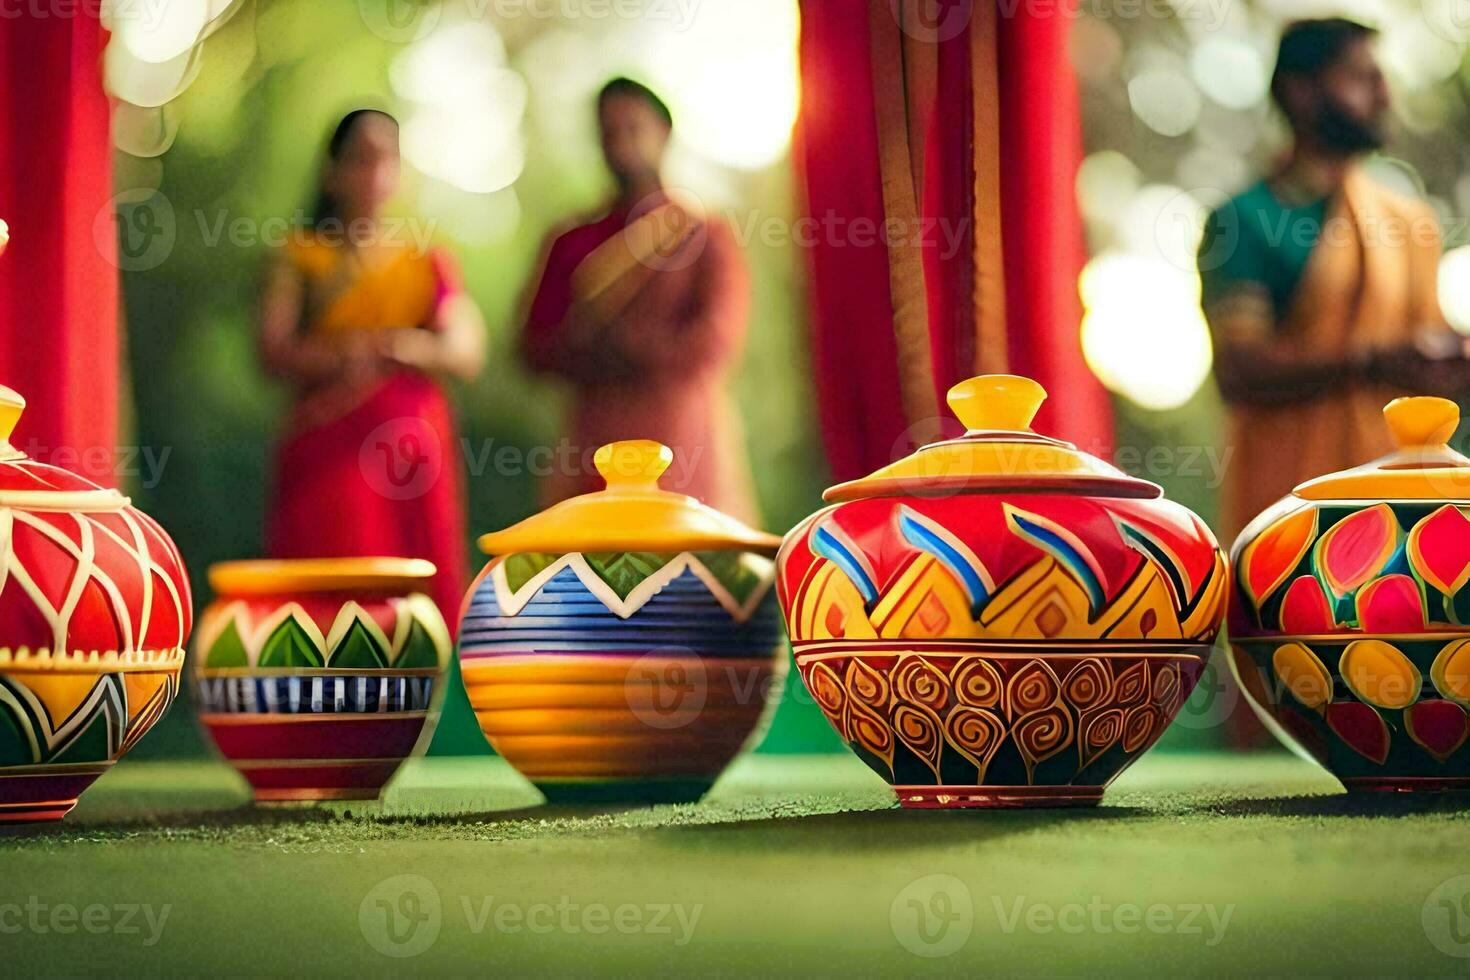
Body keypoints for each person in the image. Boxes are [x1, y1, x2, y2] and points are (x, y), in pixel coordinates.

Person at [1200, 18, 1467, 541]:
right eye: (1360, 78)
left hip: (1402, 509)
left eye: (1380, 77)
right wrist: (1369, 362)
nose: (1384, 94)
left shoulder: (1408, 222)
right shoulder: (1245, 219)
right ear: (1300, 92)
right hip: (1289, 512)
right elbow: (1240, 370)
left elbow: (1429, 367)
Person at [258, 108, 484, 619]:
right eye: (360, 160)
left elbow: (466, 350)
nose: (375, 175)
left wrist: (404, 347)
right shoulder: (300, 258)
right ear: (332, 171)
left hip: (415, 459)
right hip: (329, 449)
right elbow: (273, 351)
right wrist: (346, 353)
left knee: (418, 597)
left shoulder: (425, 260)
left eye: (386, 161)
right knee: (336, 594)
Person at [521, 77, 758, 520]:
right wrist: (584, 347)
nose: (620, 144)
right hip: (593, 446)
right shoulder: (573, 240)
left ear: (663, 133)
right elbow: (533, 345)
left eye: (633, 128)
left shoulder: (703, 234)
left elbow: (716, 339)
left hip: (683, 444)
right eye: (608, 132)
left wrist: (633, 344)